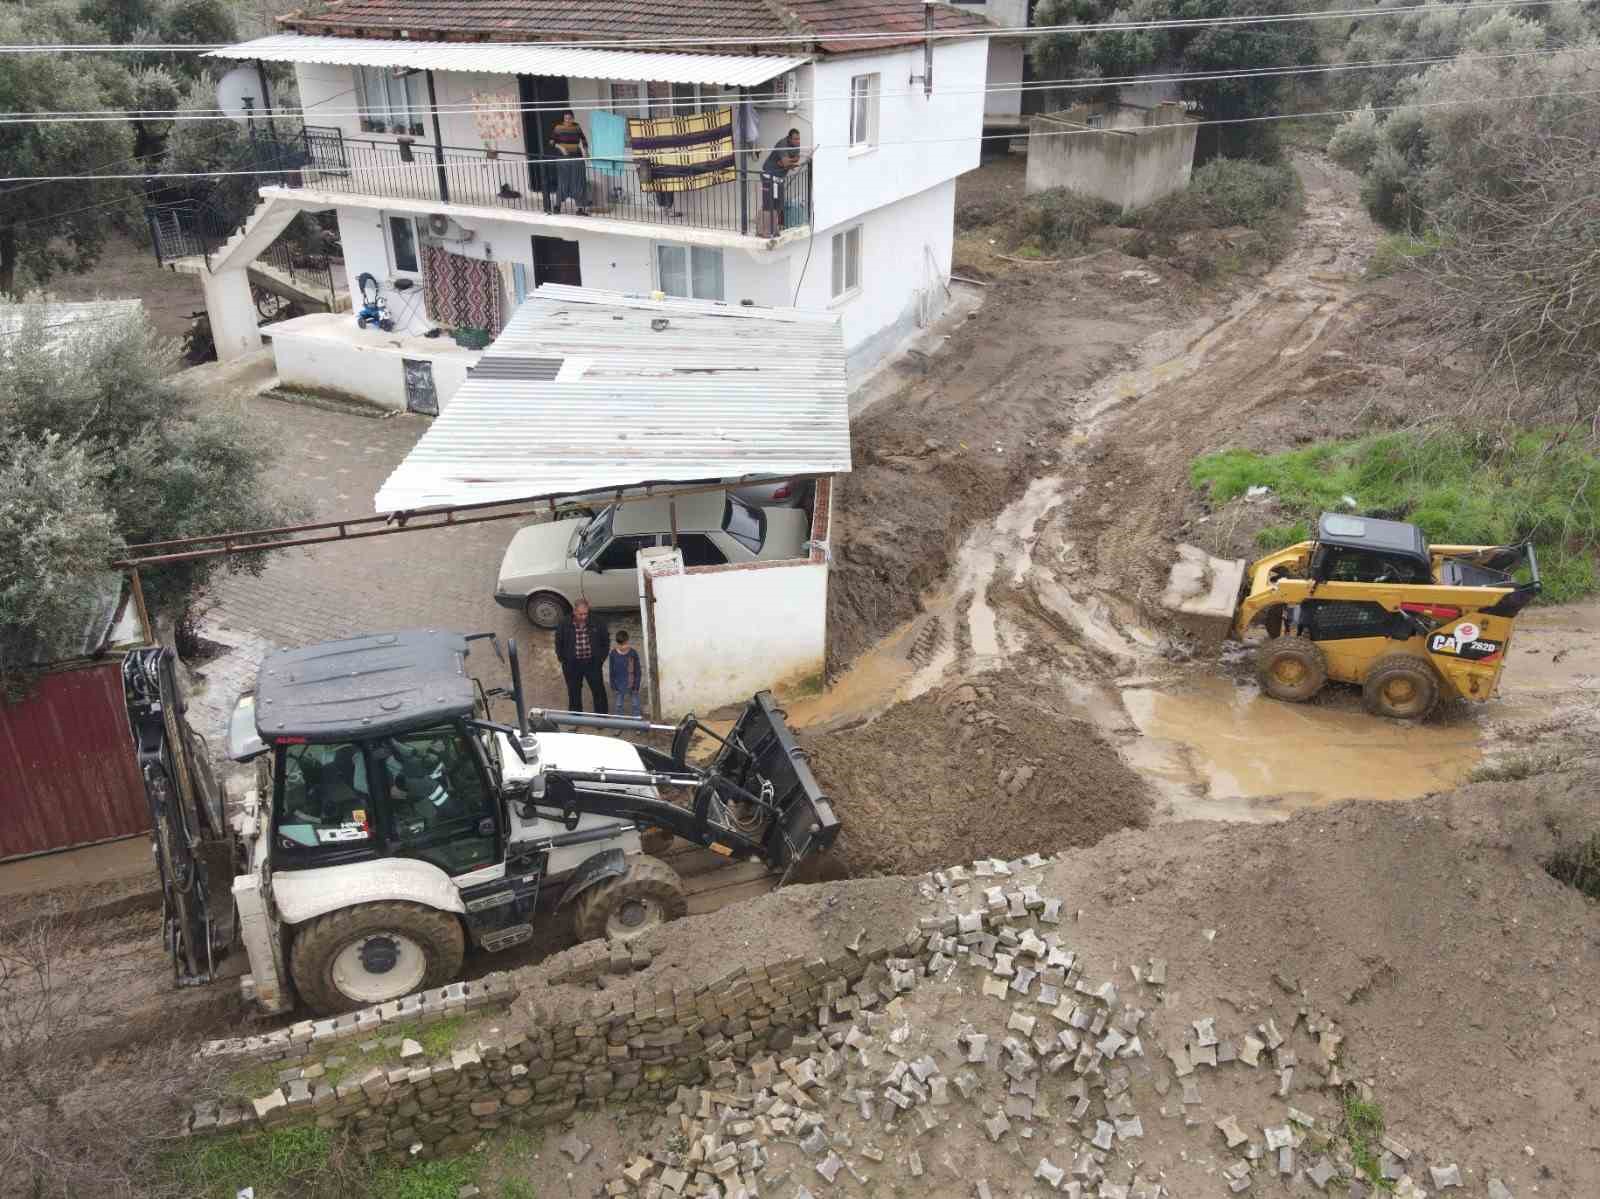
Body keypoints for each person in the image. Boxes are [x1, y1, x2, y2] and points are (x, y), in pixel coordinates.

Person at [555, 599, 610, 713]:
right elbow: (558, 642)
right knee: (573, 692)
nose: (584, 617)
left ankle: (602, 718)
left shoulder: (597, 622)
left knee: (598, 691)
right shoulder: (564, 623)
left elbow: (605, 641)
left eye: (586, 613)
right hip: (572, 665)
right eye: (581, 614)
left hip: (592, 663)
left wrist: (600, 659)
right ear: (574, 611)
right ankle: (576, 719)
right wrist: (563, 659)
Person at [759, 129, 801, 237]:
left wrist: (784, 163)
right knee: (769, 204)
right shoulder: (782, 144)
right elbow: (789, 163)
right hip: (769, 175)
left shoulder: (796, 146)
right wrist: (786, 163)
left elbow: (796, 159)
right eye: (795, 139)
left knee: (779, 203)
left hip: (779, 177)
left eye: (799, 139)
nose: (798, 141)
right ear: (789, 138)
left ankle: (773, 228)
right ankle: (765, 231)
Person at [548, 110, 590, 215]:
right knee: (563, 182)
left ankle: (580, 209)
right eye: (566, 118)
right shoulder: (558, 128)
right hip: (563, 159)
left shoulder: (577, 127)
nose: (568, 120)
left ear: (573, 118)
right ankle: (557, 206)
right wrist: (561, 147)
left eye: (570, 118)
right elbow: (551, 142)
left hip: (576, 158)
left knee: (579, 183)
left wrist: (586, 151)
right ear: (563, 119)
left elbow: (583, 139)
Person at [608, 630, 643, 718]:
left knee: (635, 705)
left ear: (628, 641)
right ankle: (620, 724)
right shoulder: (613, 654)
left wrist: (636, 685)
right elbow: (611, 671)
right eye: (620, 645)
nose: (623, 647)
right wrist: (613, 685)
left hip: (632, 684)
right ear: (617, 643)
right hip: (619, 685)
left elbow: (638, 671)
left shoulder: (632, 653)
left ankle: (637, 724)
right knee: (618, 705)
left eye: (624, 644)